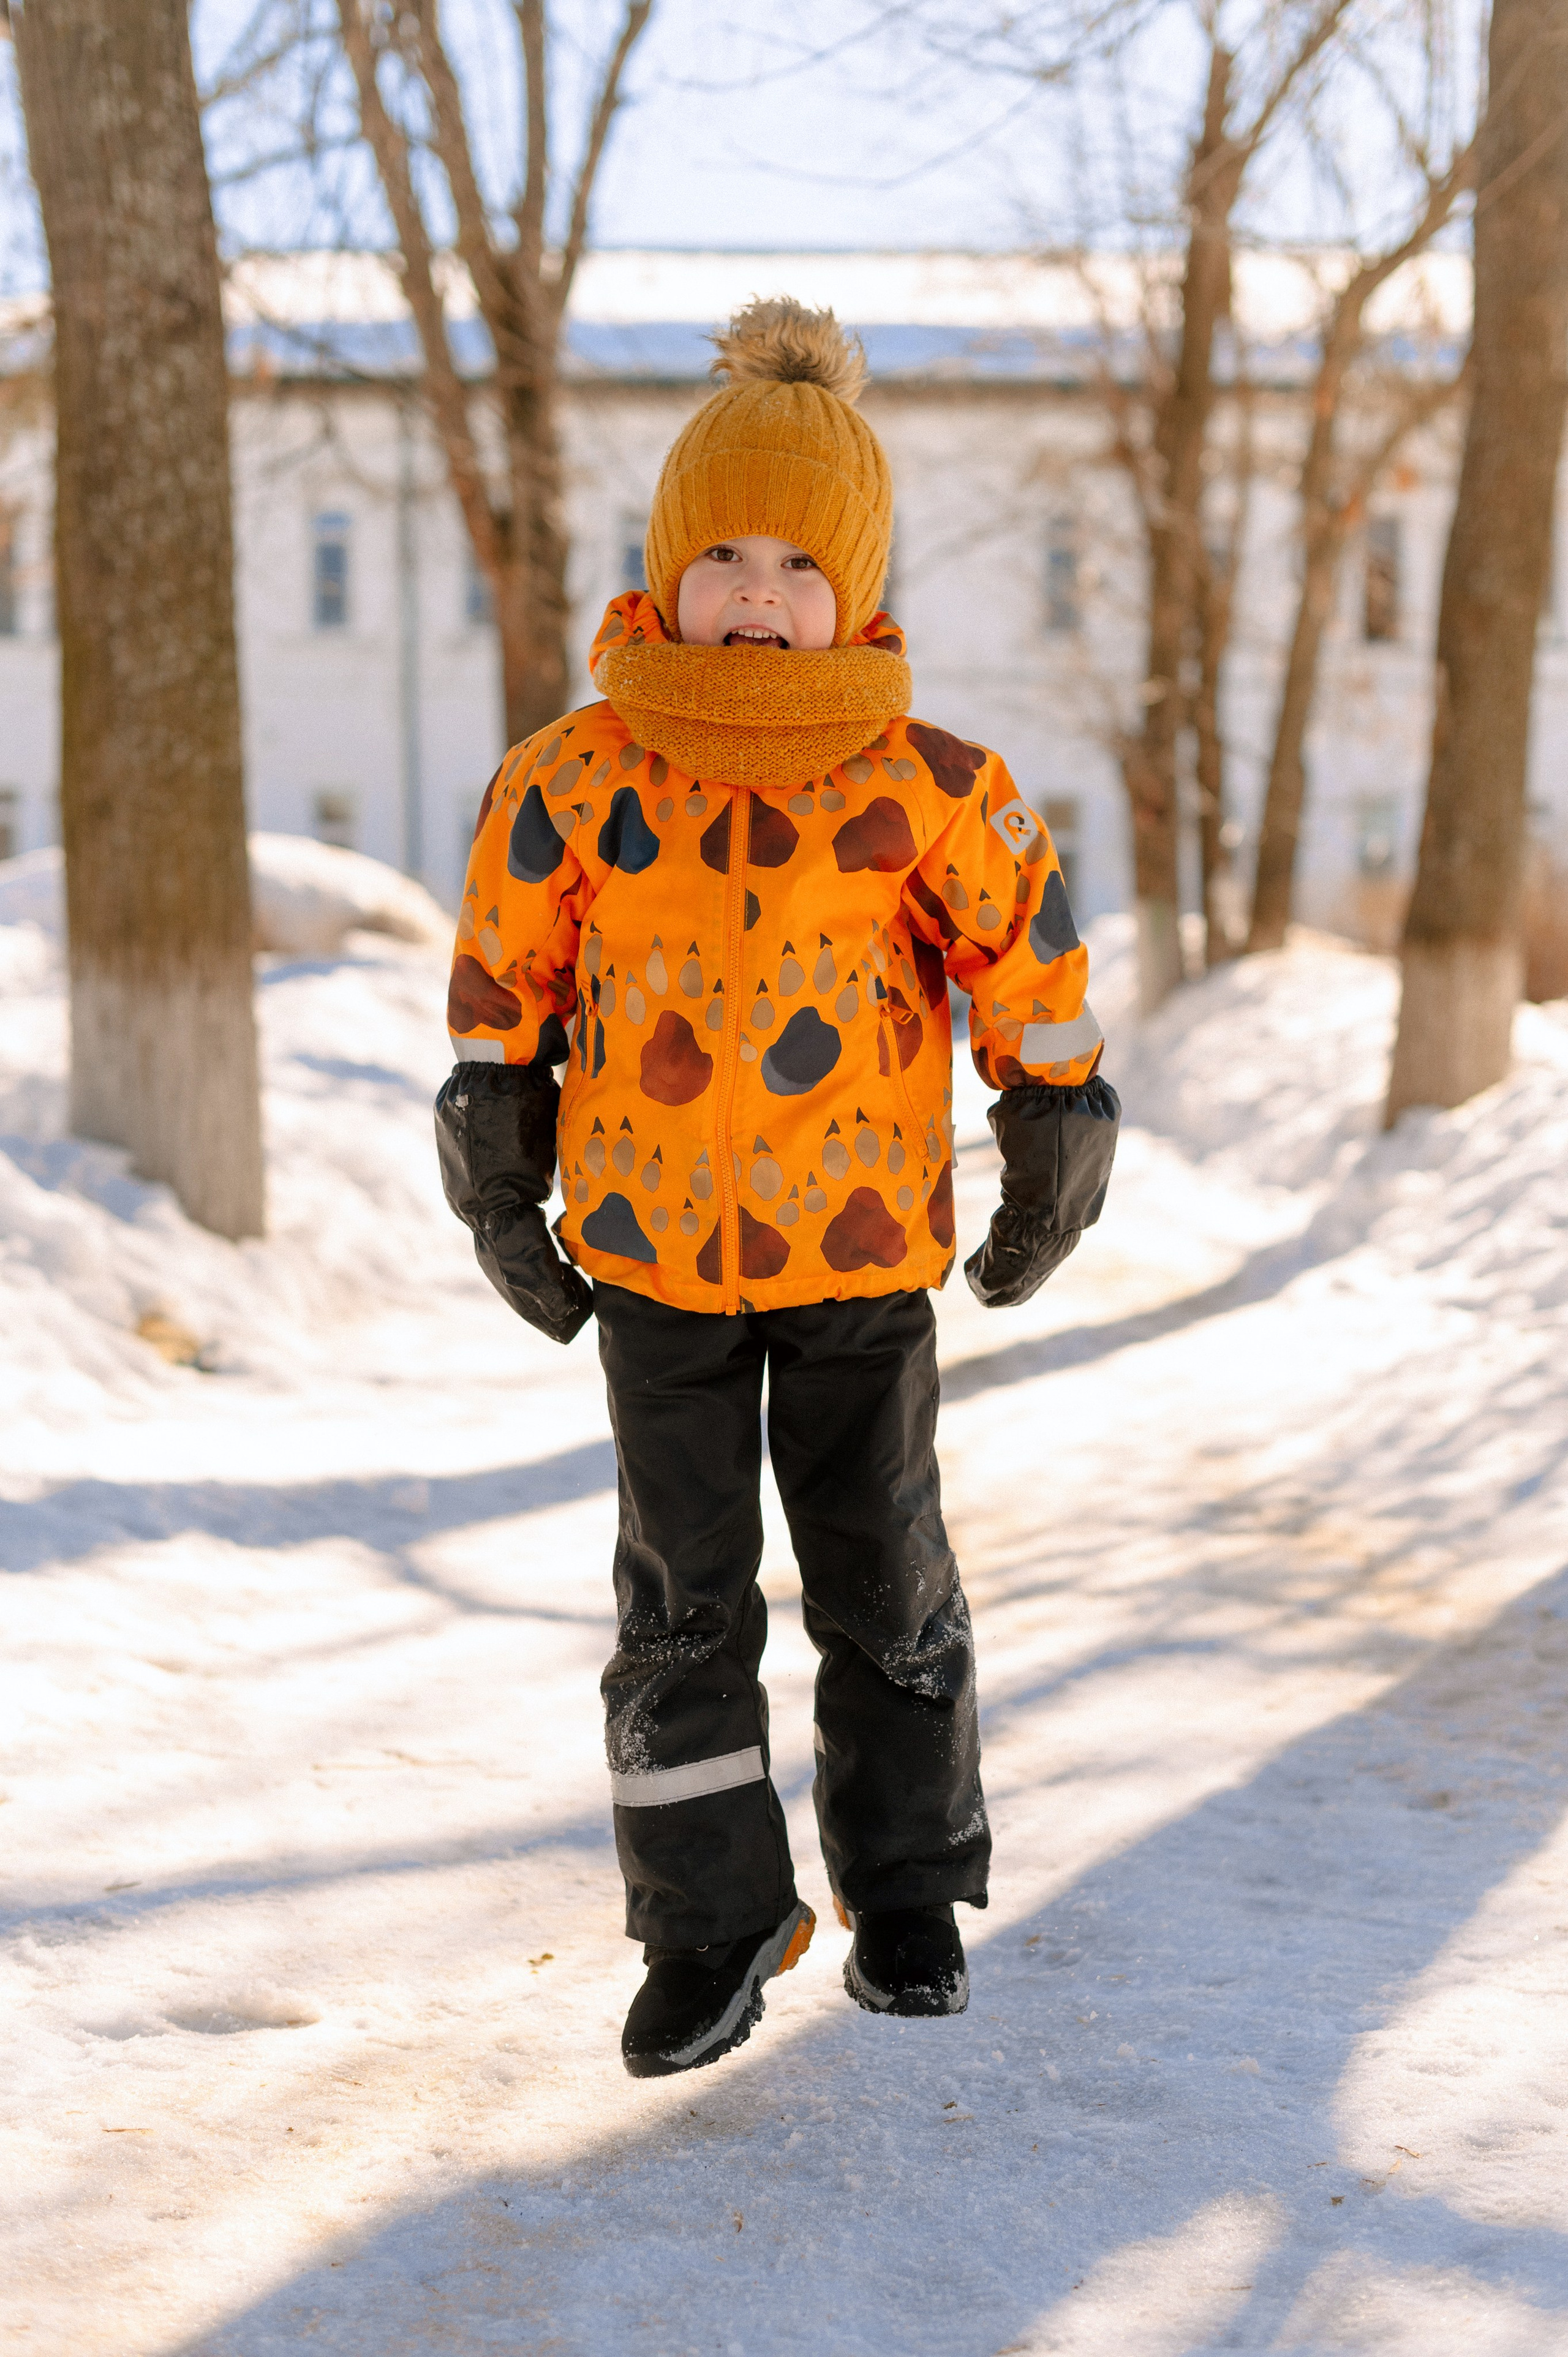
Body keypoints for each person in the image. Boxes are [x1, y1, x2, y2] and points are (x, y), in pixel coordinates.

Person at [435, 297, 1120, 2078]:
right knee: (680, 1599)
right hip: (654, 1263)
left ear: (858, 590)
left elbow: (1029, 964)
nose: (758, 593)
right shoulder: (573, 779)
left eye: (799, 564)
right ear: (666, 571)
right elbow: (505, 986)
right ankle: (711, 1917)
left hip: (859, 1255)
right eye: (723, 557)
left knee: (884, 1570)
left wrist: (1054, 1136)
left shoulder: (932, 789)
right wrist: (499, 1173)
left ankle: (907, 1891)